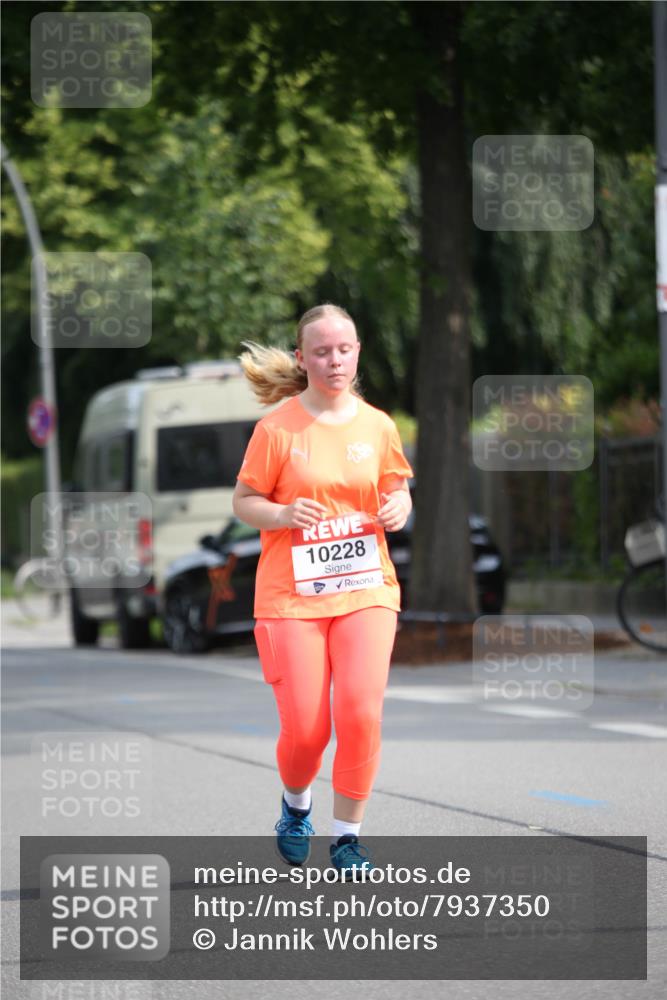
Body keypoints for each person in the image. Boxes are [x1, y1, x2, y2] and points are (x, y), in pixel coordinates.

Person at [232, 303, 413, 878]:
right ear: (301, 358)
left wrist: (397, 507)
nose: (334, 360)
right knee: (309, 730)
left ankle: (348, 839)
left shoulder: (378, 425)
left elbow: (399, 492)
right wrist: (283, 512)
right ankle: (295, 805)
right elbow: (244, 503)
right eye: (321, 351)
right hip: (292, 598)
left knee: (360, 711)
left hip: (366, 589)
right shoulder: (277, 430)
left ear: (357, 352)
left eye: (344, 349)